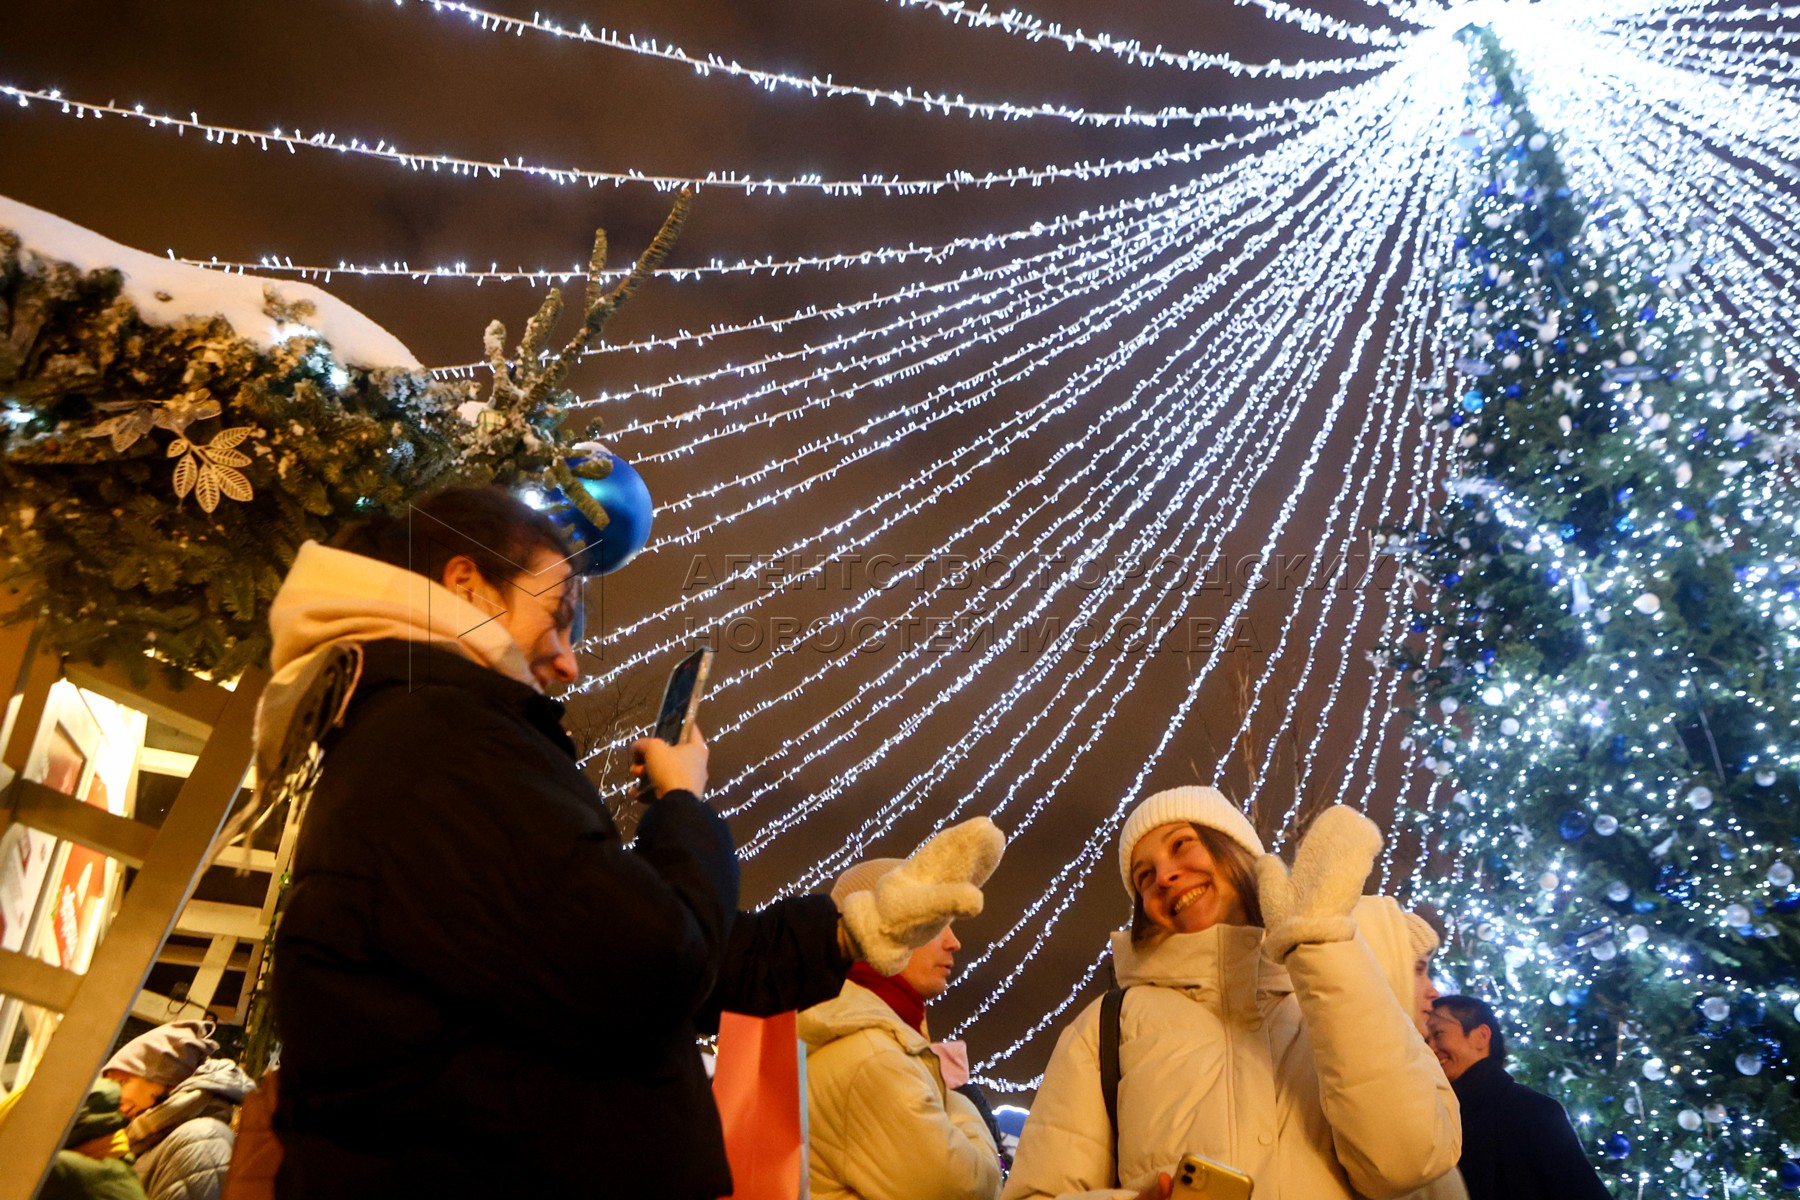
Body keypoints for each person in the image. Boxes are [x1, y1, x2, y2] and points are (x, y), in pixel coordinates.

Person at [259, 486, 1000, 1199]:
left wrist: (856, 930)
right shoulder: (445, 739)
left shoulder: (428, 735)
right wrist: (682, 804)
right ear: (470, 585)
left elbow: (629, 953)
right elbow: (653, 963)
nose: (568, 660)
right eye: (557, 616)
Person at [1003, 787, 1461, 1200]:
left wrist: (1319, 947)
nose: (1163, 876)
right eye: (1144, 877)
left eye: (1182, 844)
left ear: (1238, 852)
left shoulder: (1340, 982)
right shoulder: (1107, 1027)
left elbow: (1409, 1162)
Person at [798, 858, 1004, 1200]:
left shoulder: (865, 1037)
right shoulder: (872, 1059)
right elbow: (962, 1192)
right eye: (935, 924)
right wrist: (959, 1101)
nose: (954, 942)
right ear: (881, 933)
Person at [1427, 996, 1611, 1200]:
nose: (1430, 1047)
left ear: (1481, 1036)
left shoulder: (1532, 1110)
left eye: (1438, 1034)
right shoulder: (1438, 1114)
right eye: (1425, 1040)